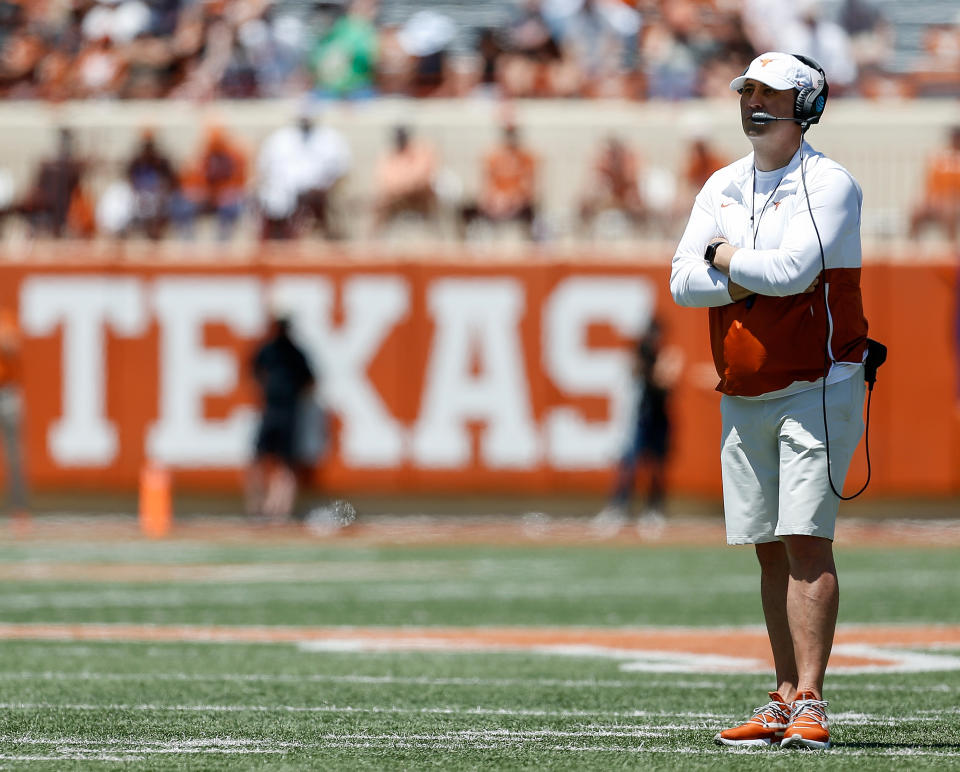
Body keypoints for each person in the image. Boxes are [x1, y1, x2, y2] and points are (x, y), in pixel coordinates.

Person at [670, 52, 870, 750]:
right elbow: (679, 282)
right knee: (766, 547)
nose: (755, 103)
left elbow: (790, 274)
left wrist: (724, 258)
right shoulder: (722, 183)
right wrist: (739, 273)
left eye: (771, 93)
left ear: (806, 106)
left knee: (806, 541)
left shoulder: (830, 182)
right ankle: (782, 694)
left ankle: (811, 699)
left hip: (817, 383)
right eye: (748, 90)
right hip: (746, 386)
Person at [593, 319, 680, 533]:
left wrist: (651, 369)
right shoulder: (641, 357)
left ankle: (654, 510)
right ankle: (619, 507)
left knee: (657, 467)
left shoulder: (668, 355)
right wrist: (643, 365)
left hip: (660, 418)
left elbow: (666, 382)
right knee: (629, 464)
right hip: (642, 417)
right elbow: (633, 375)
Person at [247, 313, 316, 524]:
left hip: (288, 412)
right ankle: (256, 508)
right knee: (258, 459)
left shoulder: (296, 354)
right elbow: (253, 370)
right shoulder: (268, 350)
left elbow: (310, 380)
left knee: (286, 464)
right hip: (271, 410)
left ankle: (278, 511)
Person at [256, 106, 352, 240]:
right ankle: (272, 241)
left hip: (317, 190)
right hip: (282, 188)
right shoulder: (279, 139)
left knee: (312, 202)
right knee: (268, 201)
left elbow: (341, 169)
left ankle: (328, 240)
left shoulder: (331, 138)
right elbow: (265, 168)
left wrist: (324, 187)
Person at [460, 122, 538, 240]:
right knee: (466, 209)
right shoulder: (492, 157)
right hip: (495, 202)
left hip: (517, 203)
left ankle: (532, 246)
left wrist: (512, 200)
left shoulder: (527, 157)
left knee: (533, 211)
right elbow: (486, 186)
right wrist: (493, 199)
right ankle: (468, 244)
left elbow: (530, 188)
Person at [370, 124, 438, 237]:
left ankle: (442, 244)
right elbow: (383, 179)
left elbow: (422, 177)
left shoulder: (421, 150)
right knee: (380, 202)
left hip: (420, 195)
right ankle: (372, 244)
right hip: (395, 197)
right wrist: (399, 188)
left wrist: (404, 186)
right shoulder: (389, 154)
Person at [908, 125, 960, 244]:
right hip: (937, 200)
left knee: (949, 211)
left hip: (954, 202)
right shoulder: (940, 157)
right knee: (916, 211)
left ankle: (950, 250)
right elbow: (931, 184)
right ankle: (914, 249)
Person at [0, 307, 27, 526]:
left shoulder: (4, 317)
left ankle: (19, 508)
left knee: (14, 455)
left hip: (6, 391)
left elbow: (11, 343)